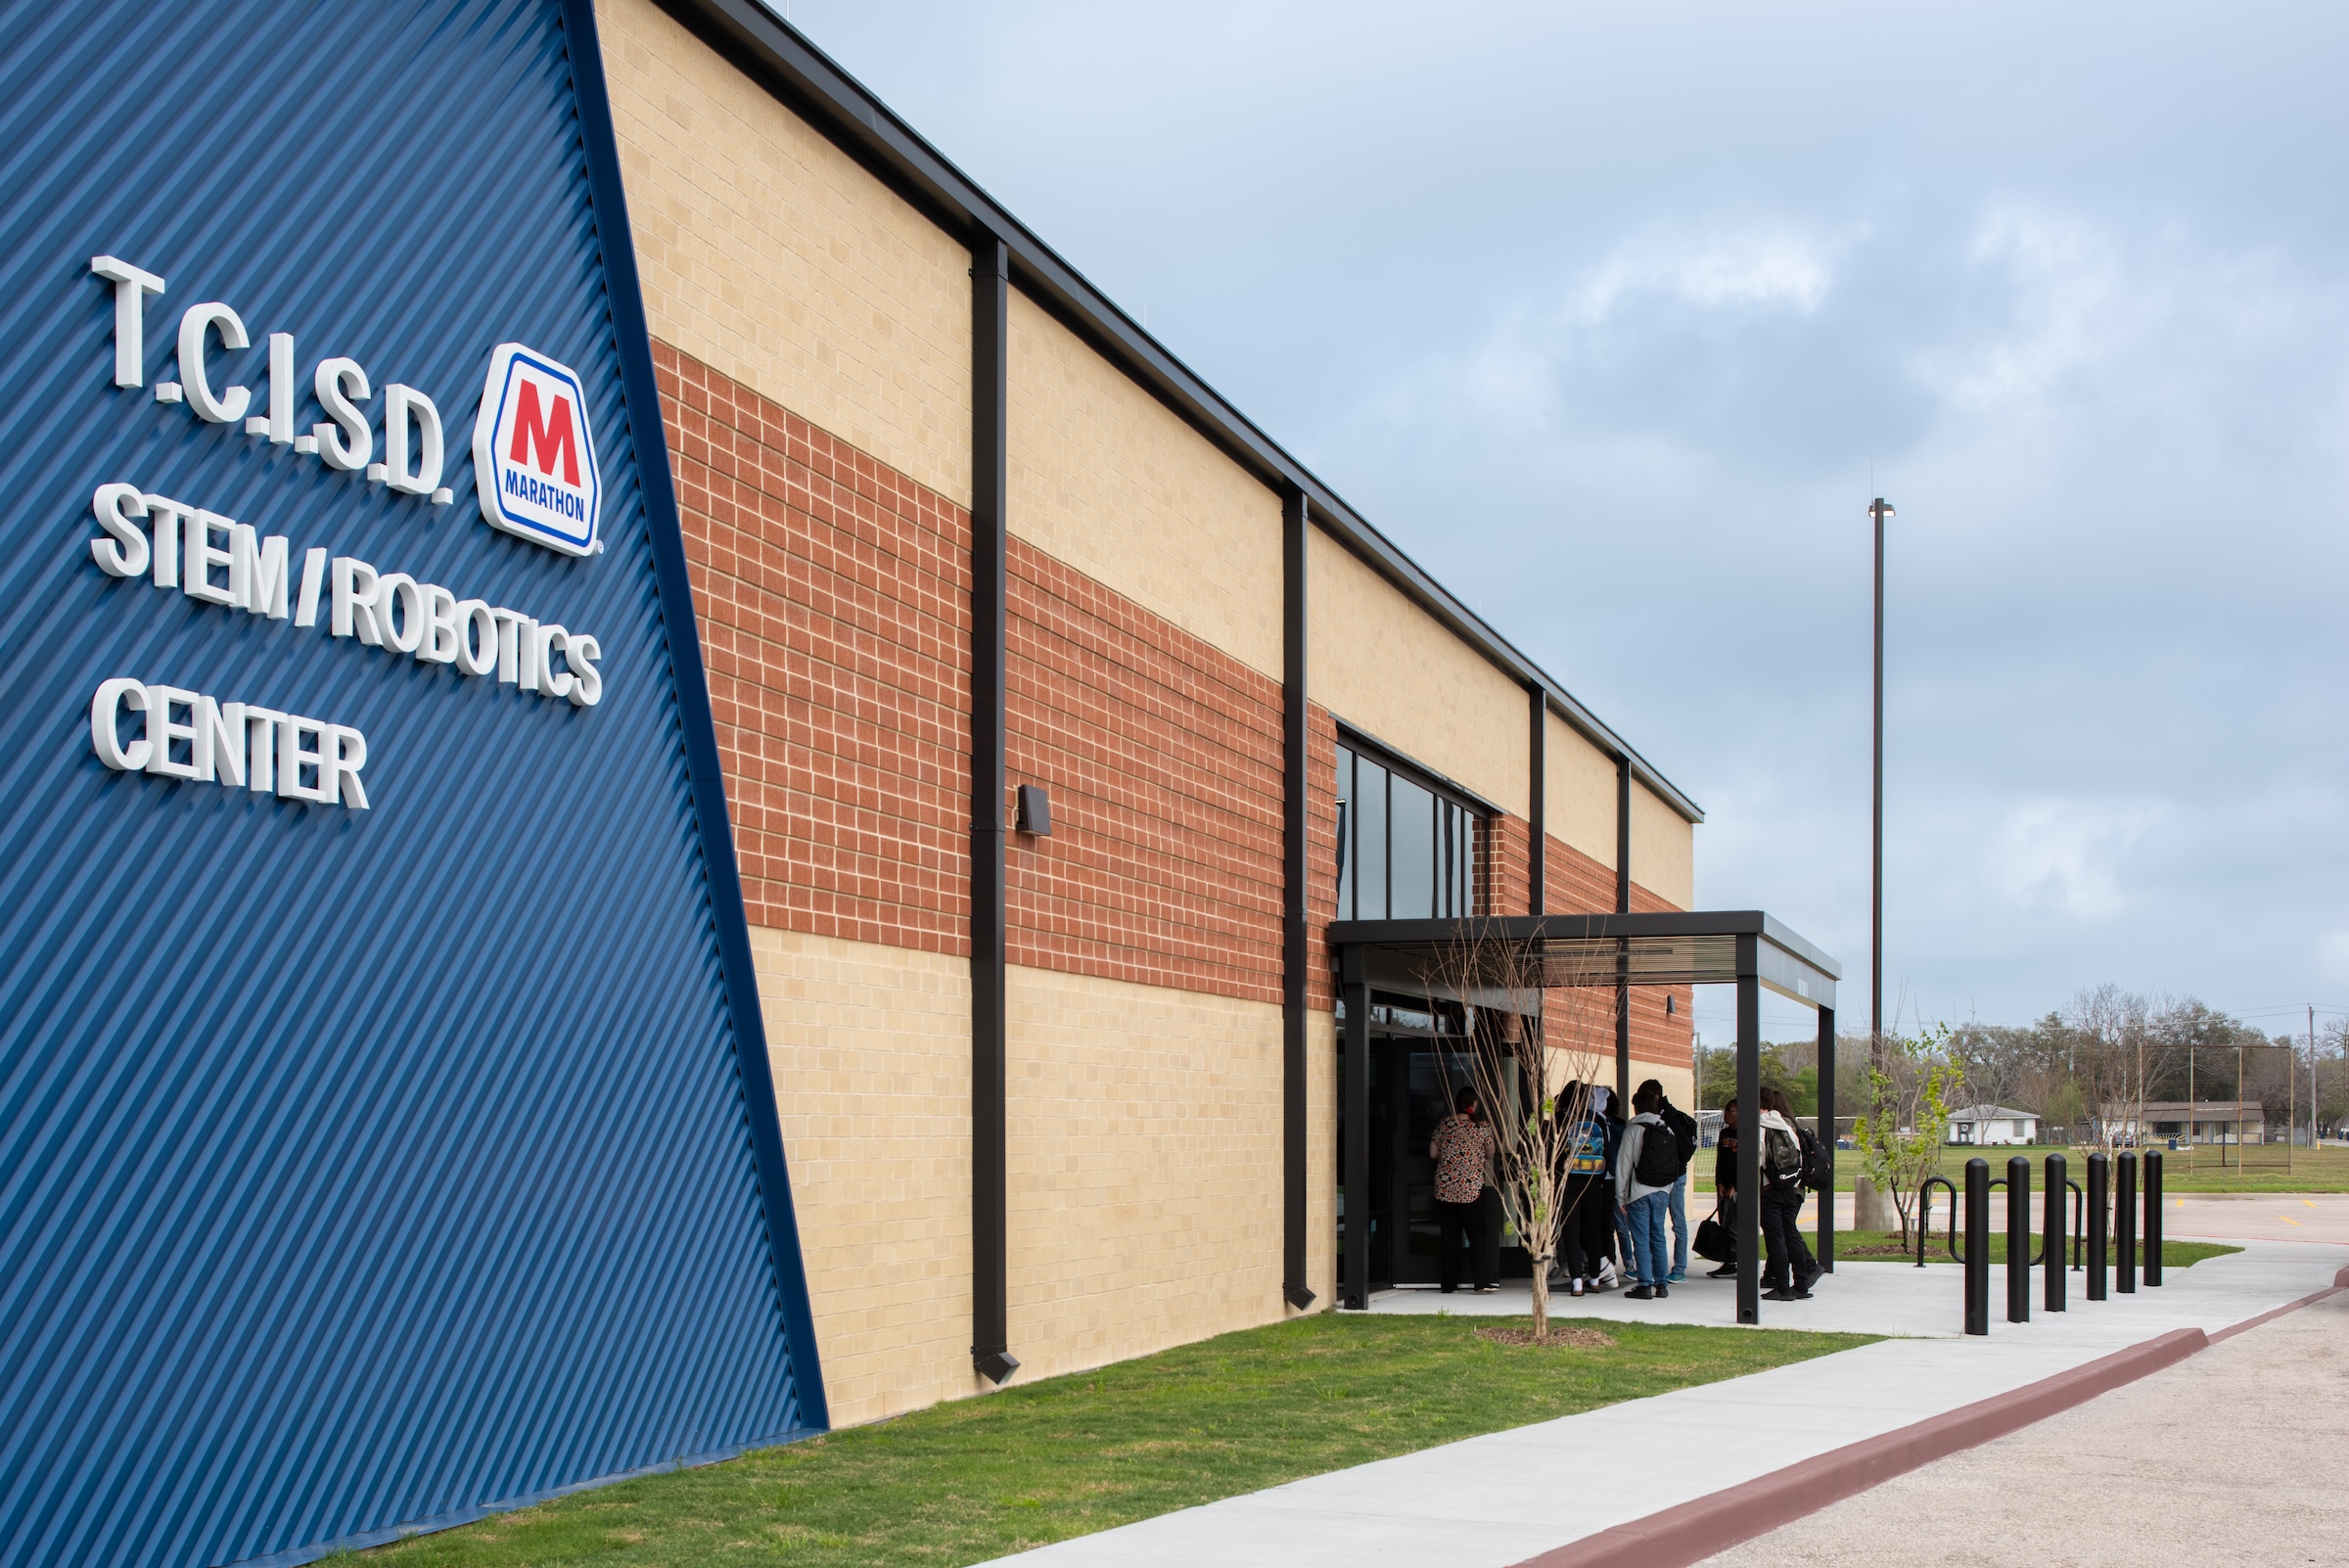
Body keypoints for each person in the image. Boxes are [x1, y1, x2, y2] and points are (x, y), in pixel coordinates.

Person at [1614, 1082, 1679, 1300]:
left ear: (1636, 1108)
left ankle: (1644, 1284)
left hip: (1638, 1192)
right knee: (1658, 1236)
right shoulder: (1666, 1128)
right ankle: (1662, 1284)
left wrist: (1621, 1196)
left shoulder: (1633, 1129)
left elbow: (1624, 1164)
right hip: (1662, 1191)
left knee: (1640, 1239)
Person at [1431, 1088, 1499, 1294]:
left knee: (1450, 1235)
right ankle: (1481, 1282)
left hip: (1445, 1189)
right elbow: (1491, 1152)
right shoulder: (1481, 1126)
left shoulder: (1445, 1123)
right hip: (1471, 1189)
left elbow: (1433, 1153)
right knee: (1477, 1234)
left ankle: (1449, 1284)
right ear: (1474, 1104)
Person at [1757, 1087, 1821, 1301]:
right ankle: (1801, 1285)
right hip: (1789, 1187)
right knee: (1791, 1233)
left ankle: (1783, 1287)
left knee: (1776, 1239)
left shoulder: (1759, 1127)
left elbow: (1758, 1159)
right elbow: (1798, 1154)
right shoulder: (1785, 1124)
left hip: (1769, 1189)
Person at [1553, 1083, 1610, 1296]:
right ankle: (1595, 1278)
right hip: (1593, 1180)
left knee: (1571, 1231)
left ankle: (1577, 1281)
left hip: (1568, 1181)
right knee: (1592, 1229)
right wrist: (1601, 1177)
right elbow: (1608, 1152)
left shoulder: (1561, 1120)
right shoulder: (1597, 1120)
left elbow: (1554, 1153)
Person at [1646, 1080, 1699, 1284]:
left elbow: (1684, 1149)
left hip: (1673, 1177)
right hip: (1664, 1176)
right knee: (1659, 1223)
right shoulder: (1657, 1116)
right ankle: (1653, 1265)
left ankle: (1679, 1268)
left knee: (1676, 1222)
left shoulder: (1670, 1116)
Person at [1706, 1098, 1740, 1278]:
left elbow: (1744, 1163)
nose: (1726, 1115)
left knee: (1735, 1225)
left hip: (1737, 1188)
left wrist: (1735, 1185)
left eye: (1731, 1111)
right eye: (1725, 1111)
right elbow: (1720, 1161)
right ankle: (1728, 1261)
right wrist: (1719, 1182)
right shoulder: (1724, 1133)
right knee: (1724, 1223)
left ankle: (1737, 1260)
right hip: (1723, 1186)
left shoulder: (1746, 1134)